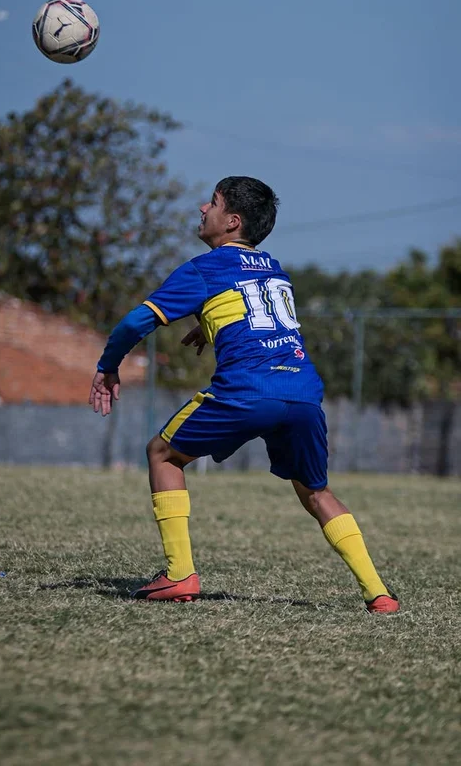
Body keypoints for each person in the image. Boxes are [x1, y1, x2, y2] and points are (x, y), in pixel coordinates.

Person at [89, 176, 399, 613]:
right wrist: (209, 324)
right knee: (316, 492)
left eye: (212, 202)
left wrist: (107, 366)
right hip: (303, 393)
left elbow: (133, 324)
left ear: (232, 221)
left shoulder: (205, 269)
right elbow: (259, 313)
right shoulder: (274, 268)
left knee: (162, 454)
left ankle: (180, 574)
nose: (203, 209)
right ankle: (378, 593)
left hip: (248, 390)